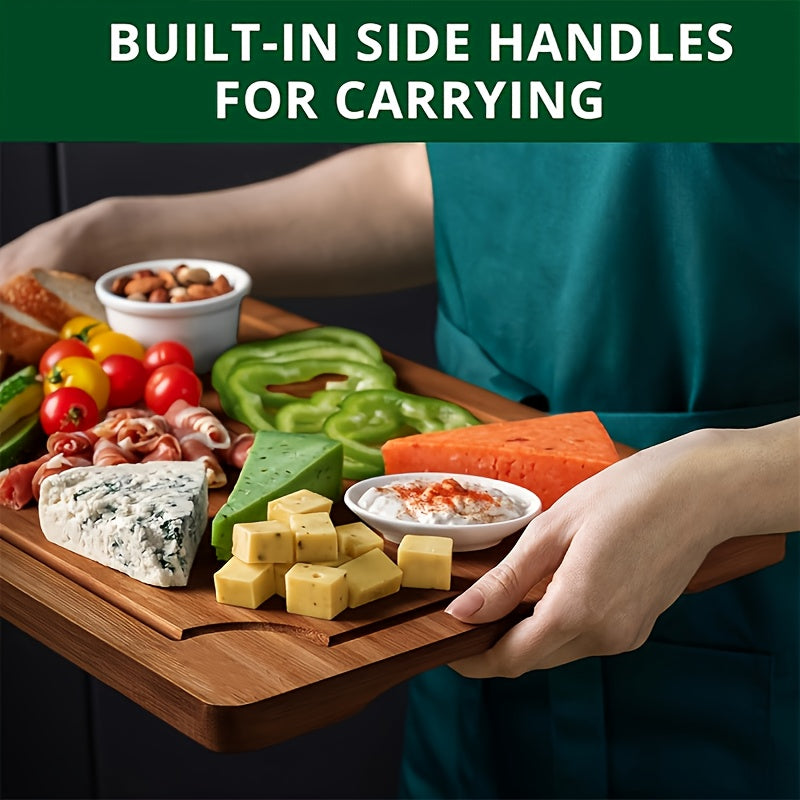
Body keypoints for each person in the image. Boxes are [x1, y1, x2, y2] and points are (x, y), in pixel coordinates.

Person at [1, 142, 798, 799]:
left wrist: (735, 477)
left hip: (744, 577)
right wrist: (91, 239)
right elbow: (437, 174)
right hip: (455, 578)